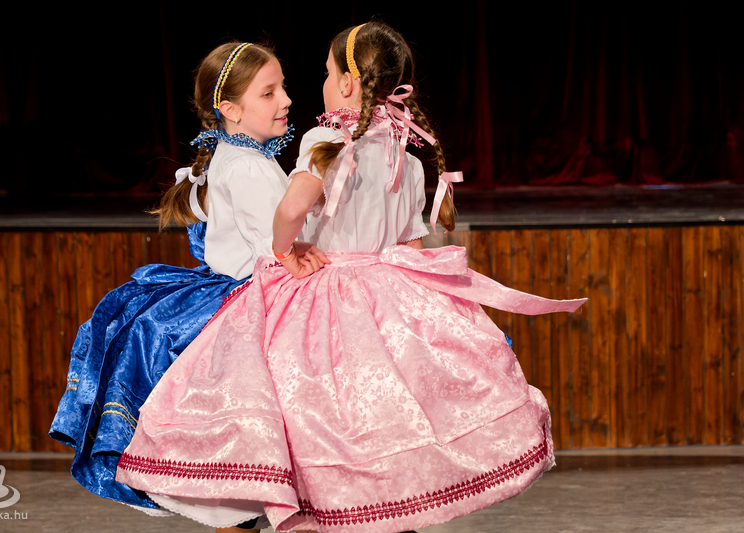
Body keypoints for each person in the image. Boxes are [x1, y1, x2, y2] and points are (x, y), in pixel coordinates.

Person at [117, 21, 586, 532]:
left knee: (319, 415)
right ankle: (391, 508)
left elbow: (291, 210)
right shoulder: (408, 159)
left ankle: (312, 504)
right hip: (389, 296)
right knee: (386, 420)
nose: (303, 91)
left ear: (346, 83)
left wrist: (284, 248)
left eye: (324, 73)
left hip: (327, 293)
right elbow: (410, 246)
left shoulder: (325, 141)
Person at [49, 41, 323, 523]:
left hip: (234, 291)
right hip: (251, 300)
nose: (286, 100)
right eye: (268, 92)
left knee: (242, 463)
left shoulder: (236, 156)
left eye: (282, 87)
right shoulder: (247, 166)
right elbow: (276, 250)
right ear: (230, 110)